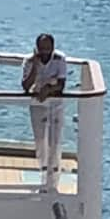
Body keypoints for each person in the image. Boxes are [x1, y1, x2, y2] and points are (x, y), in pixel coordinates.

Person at [21, 33, 67, 191]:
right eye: (42, 49)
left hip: (56, 105)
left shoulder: (60, 59)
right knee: (41, 142)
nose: (45, 52)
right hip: (37, 105)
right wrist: (35, 66)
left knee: (55, 142)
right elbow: (26, 86)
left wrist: (48, 89)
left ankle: (53, 181)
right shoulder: (28, 61)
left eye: (48, 48)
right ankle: (42, 176)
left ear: (53, 48)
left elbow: (61, 84)